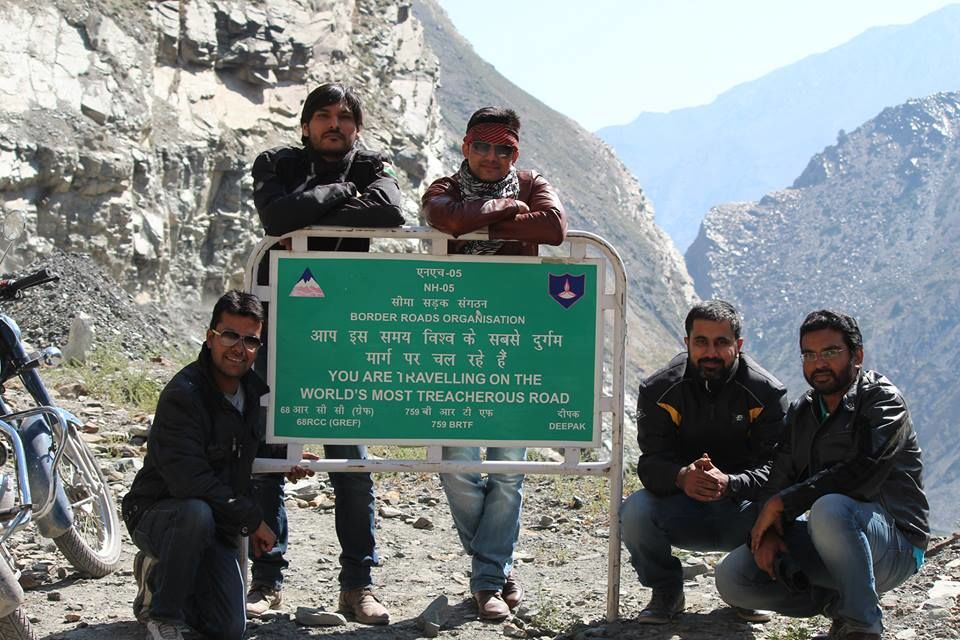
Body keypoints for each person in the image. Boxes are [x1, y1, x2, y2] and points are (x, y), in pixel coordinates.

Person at [246, 82, 404, 625]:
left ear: (357, 126)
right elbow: (275, 218)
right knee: (267, 453)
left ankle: (358, 585)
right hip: (277, 327)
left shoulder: (373, 165)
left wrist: (308, 211)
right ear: (306, 123)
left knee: (351, 463)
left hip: (344, 331)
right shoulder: (276, 161)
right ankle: (266, 579)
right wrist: (340, 195)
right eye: (323, 116)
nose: (334, 125)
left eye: (344, 117)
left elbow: (390, 212)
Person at [421, 106, 567, 621]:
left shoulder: (532, 183)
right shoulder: (443, 184)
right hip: (453, 342)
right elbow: (449, 217)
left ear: (514, 153)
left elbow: (552, 226)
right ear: (465, 146)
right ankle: (497, 572)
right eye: (481, 146)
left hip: (514, 343)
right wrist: (505, 213)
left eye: (502, 149)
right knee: (457, 466)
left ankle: (486, 580)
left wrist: (489, 213)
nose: (490, 157)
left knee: (506, 470)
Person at [716, 310, 930, 640]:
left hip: (895, 544)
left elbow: (863, 474)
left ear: (857, 355)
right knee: (734, 577)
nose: (819, 363)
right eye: (809, 354)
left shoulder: (883, 402)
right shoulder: (804, 412)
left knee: (830, 507)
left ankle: (862, 624)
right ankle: (839, 604)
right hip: (834, 541)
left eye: (830, 352)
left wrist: (783, 504)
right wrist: (768, 531)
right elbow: (778, 479)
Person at [619, 300, 788, 624]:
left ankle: (748, 589)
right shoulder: (659, 389)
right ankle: (667, 591)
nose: (711, 352)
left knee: (788, 510)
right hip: (681, 507)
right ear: (687, 343)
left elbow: (777, 470)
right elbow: (651, 463)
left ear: (738, 345)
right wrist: (682, 477)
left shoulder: (766, 393)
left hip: (742, 510)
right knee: (636, 511)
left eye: (721, 342)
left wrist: (731, 483)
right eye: (701, 342)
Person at [121, 291, 275, 640]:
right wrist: (252, 520)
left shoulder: (251, 392)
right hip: (160, 513)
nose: (240, 348)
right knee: (195, 513)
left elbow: (240, 448)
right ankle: (164, 615)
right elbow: (191, 482)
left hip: (216, 519)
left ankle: (161, 578)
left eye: (251, 340)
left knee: (228, 628)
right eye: (230, 335)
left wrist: (286, 462)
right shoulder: (184, 395)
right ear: (210, 338)